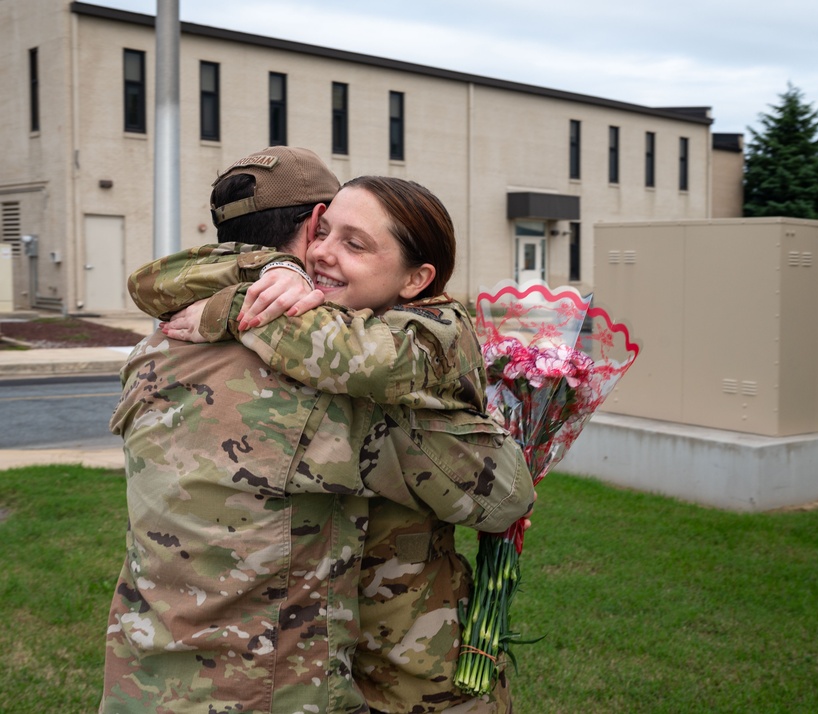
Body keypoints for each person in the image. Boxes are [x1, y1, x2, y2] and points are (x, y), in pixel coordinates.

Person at [102, 148, 532, 714]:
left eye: (354, 242)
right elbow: (502, 493)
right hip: (272, 689)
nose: (328, 252)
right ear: (312, 224)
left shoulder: (158, 347)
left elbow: (157, 280)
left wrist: (232, 303)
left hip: (143, 677)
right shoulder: (332, 387)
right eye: (328, 232)